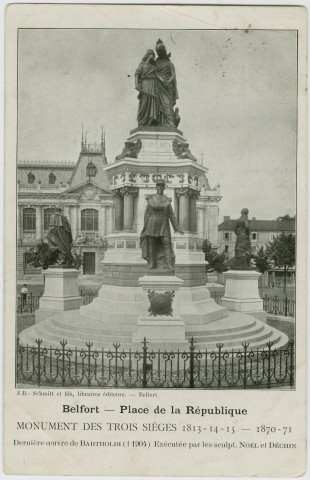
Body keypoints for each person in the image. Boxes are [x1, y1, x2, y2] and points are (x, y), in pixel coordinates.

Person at [140, 179, 184, 270]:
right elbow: (154, 207)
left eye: (162, 186)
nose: (160, 187)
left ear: (164, 187)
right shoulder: (150, 198)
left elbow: (171, 215)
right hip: (152, 224)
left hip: (164, 224)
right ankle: (152, 263)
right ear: (156, 187)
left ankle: (169, 263)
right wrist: (166, 203)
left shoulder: (166, 199)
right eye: (158, 185)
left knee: (167, 243)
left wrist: (177, 227)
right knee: (152, 245)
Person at [155, 39, 178, 127]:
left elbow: (173, 75)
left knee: (167, 104)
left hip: (167, 87)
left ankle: (170, 122)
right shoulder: (156, 63)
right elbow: (153, 73)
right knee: (157, 105)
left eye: (161, 51)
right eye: (158, 52)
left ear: (164, 51)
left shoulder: (170, 64)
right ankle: (158, 123)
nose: (160, 53)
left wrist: (168, 82)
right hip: (158, 86)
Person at [135, 49, 158, 127]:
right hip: (145, 84)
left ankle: (151, 121)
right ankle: (141, 121)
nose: (154, 57)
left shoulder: (153, 66)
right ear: (149, 55)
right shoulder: (142, 64)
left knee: (152, 103)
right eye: (153, 55)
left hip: (153, 85)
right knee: (144, 102)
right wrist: (137, 85)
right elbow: (137, 74)